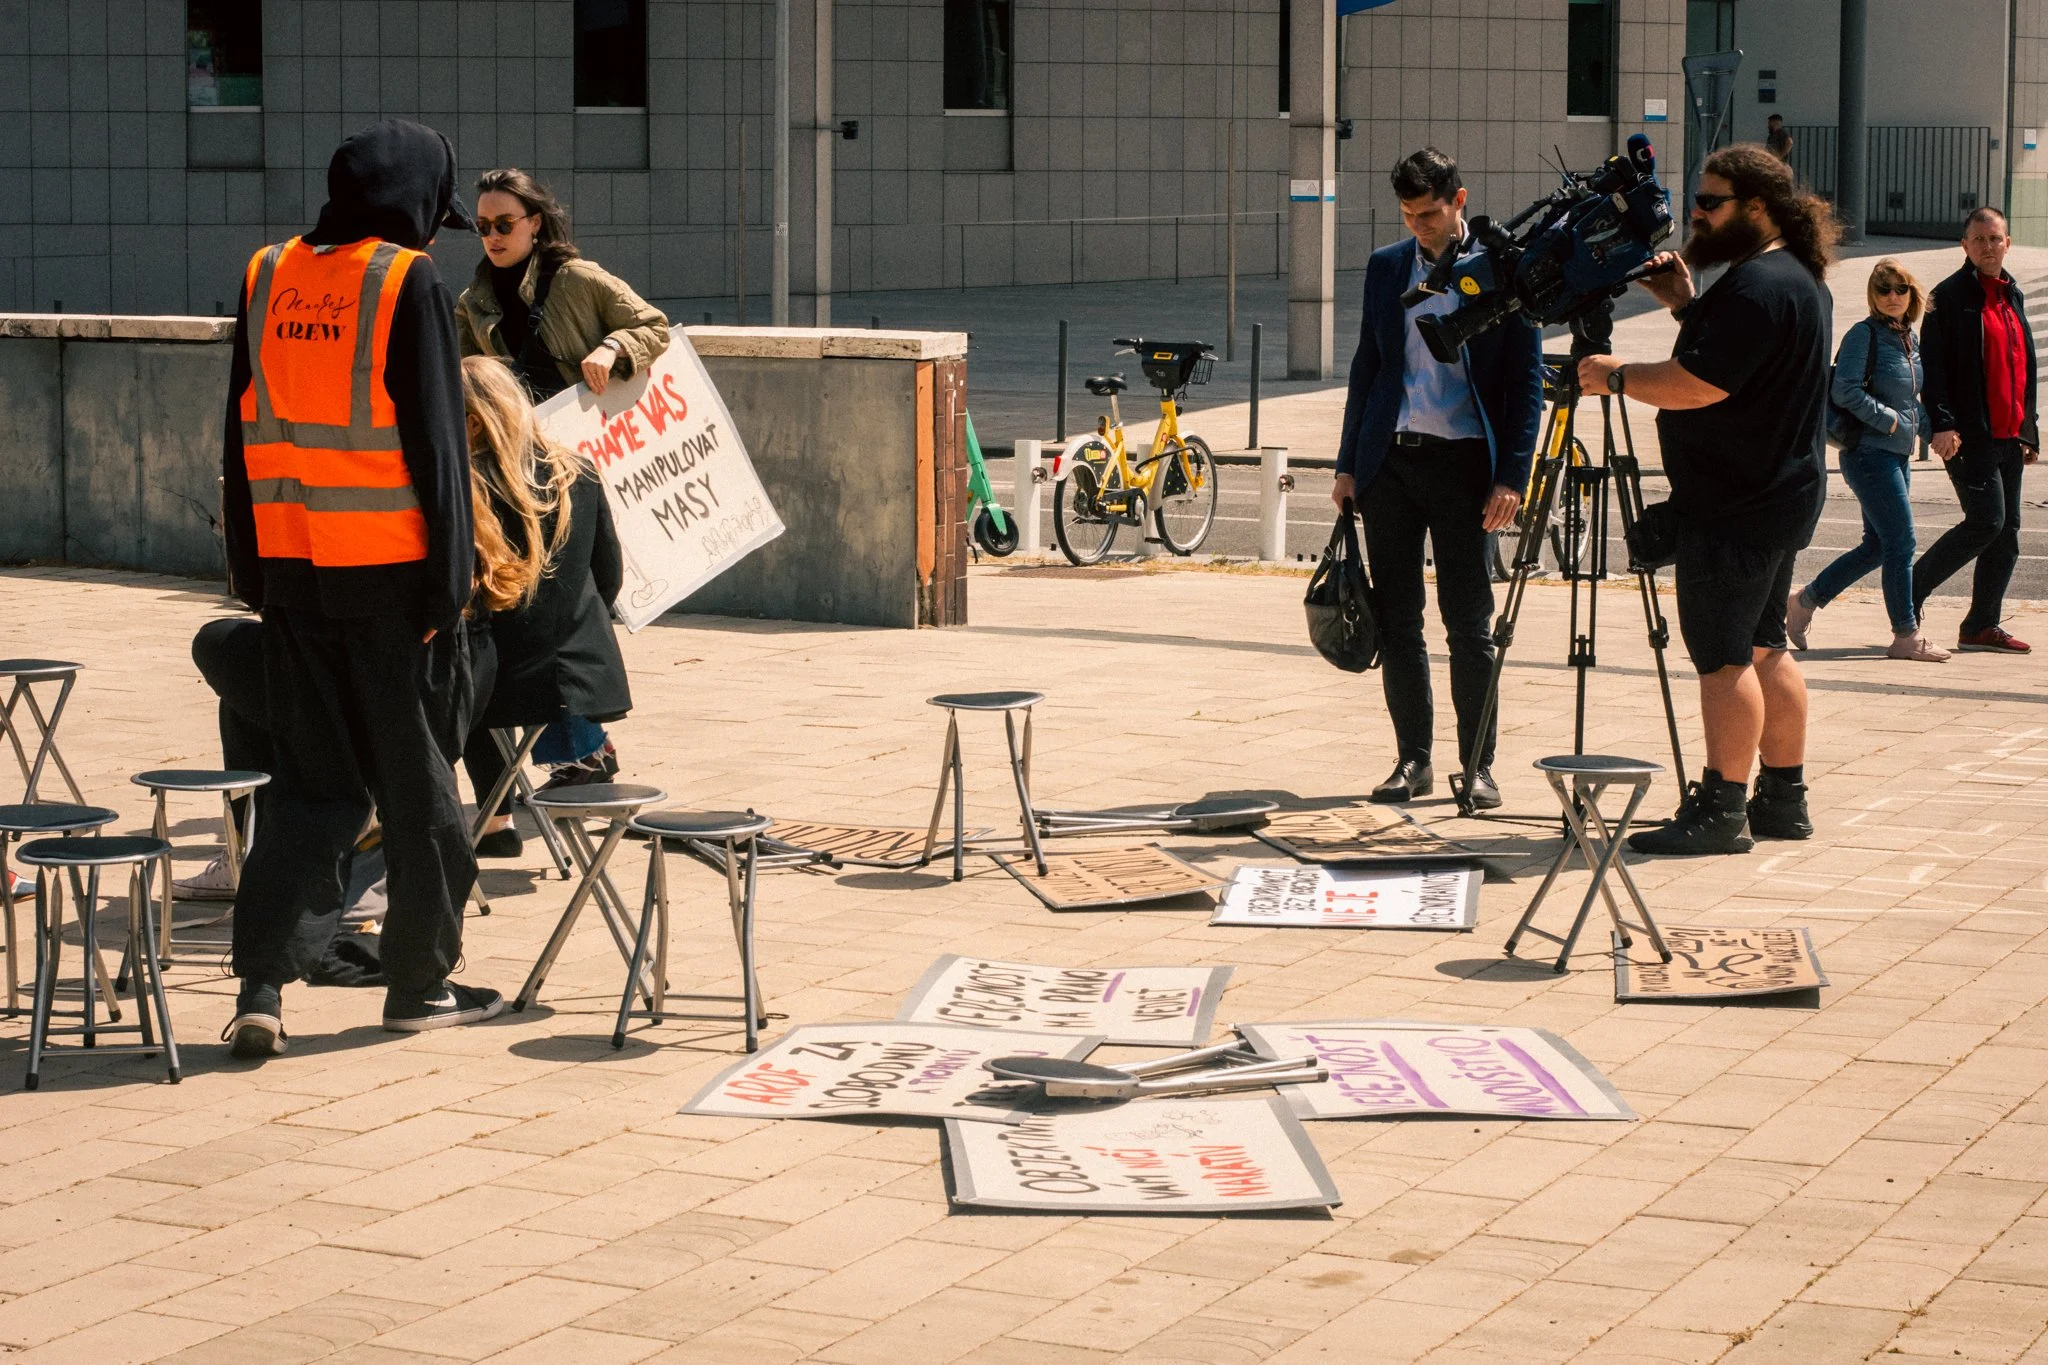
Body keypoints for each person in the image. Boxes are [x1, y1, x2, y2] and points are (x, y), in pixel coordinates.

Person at [219, 118, 499, 1058]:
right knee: (420, 799)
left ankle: (262, 983)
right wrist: (450, 586)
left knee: (308, 788)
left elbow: (239, 429)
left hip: (293, 576)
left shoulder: (267, 272)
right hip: (390, 584)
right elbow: (436, 441)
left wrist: (252, 575)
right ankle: (418, 985)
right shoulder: (403, 279)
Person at [1577, 143, 1836, 854]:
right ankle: (1782, 800)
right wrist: (1689, 307)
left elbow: (1702, 384)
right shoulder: (1792, 279)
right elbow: (1740, 362)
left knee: (1723, 658)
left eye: (1712, 201)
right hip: (1777, 495)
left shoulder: (1758, 286)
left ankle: (1721, 809)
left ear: (1757, 208)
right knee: (1765, 646)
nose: (1697, 212)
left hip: (1735, 503)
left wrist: (1617, 375)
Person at [1330, 148, 1541, 811]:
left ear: (1459, 200)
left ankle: (1478, 768)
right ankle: (1413, 760)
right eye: (1408, 216)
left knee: (1469, 625)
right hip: (1390, 463)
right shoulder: (1387, 267)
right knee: (1399, 622)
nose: (1419, 227)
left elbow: (1524, 383)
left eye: (1429, 214)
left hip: (1464, 465)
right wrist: (1346, 462)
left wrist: (1512, 476)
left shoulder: (1500, 271)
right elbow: (1369, 363)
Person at [453, 168, 667, 787]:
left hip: (577, 453)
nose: (492, 236)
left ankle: (577, 748)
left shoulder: (578, 279)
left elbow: (652, 325)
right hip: (511, 462)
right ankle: (574, 750)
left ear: (535, 224)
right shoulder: (475, 301)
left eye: (504, 224)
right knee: (524, 599)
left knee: (550, 598)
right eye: (483, 226)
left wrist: (612, 348)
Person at [457, 355, 632, 859]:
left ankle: (493, 823)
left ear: (472, 422)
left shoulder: (465, 483)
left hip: (501, 685)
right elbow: (609, 578)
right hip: (584, 676)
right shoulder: (577, 470)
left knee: (458, 669)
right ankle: (495, 822)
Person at [1785, 259, 1948, 662]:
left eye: (1900, 289)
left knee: (1878, 545)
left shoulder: (1908, 339)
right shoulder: (1864, 335)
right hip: (1869, 455)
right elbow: (1845, 391)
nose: (1892, 297)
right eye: (1883, 290)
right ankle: (1906, 636)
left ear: (1912, 294)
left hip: (1896, 456)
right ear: (1873, 296)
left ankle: (1804, 602)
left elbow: (1910, 401)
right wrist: (1891, 423)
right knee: (1902, 542)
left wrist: (1935, 433)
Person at [1911, 207, 2039, 653]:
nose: (1988, 246)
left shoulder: (2012, 294)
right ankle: (1908, 596)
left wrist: (2029, 430)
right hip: (1968, 435)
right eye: (1979, 239)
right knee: (1986, 521)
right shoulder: (1947, 297)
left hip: (2008, 436)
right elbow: (1934, 368)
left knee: (2007, 535)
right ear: (1964, 245)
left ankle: (1981, 625)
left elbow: (2025, 366)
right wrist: (1942, 425)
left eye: (1995, 238)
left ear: (2008, 243)